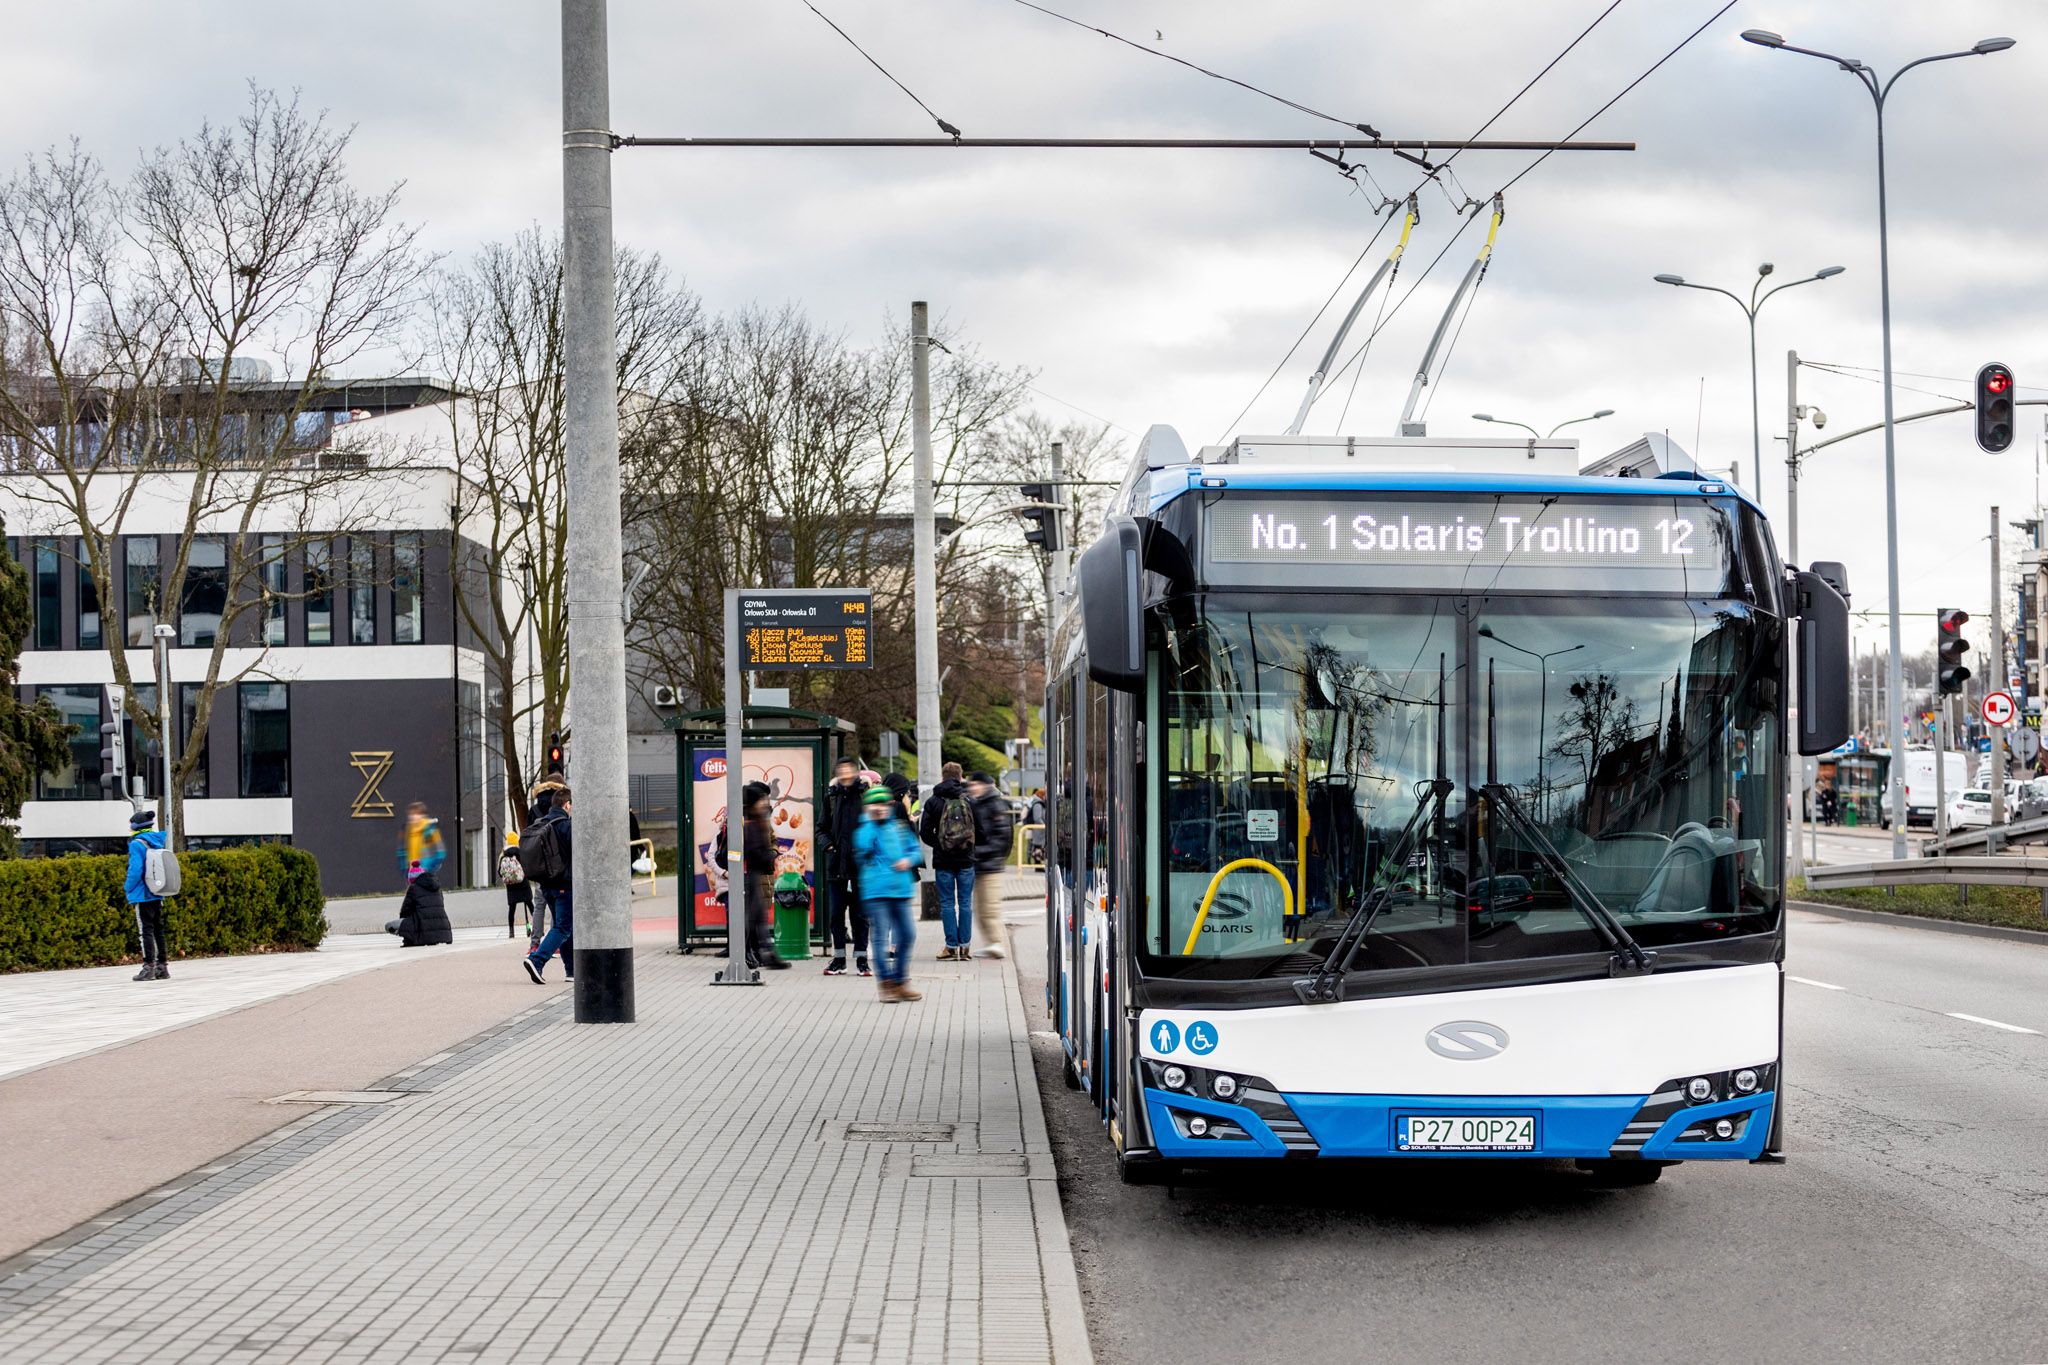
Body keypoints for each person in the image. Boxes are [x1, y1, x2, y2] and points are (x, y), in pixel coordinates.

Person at [853, 784, 923, 1001]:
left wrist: (908, 860)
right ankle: (886, 984)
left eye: (883, 803)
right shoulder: (865, 829)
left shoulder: (899, 827)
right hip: (876, 891)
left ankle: (901, 980)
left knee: (908, 934)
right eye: (875, 804)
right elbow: (861, 851)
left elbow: (915, 851)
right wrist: (872, 822)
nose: (881, 808)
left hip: (900, 890)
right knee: (881, 938)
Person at [920, 762, 983, 960]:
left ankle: (951, 947)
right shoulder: (970, 799)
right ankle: (965, 948)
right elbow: (979, 830)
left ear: (943, 778)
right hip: (966, 860)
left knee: (947, 903)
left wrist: (940, 844)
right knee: (965, 902)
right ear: (960, 778)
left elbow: (924, 832)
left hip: (943, 860)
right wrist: (969, 846)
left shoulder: (933, 801)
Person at [819, 756, 871, 977]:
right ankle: (839, 959)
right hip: (836, 867)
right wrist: (829, 846)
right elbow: (820, 828)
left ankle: (862, 960)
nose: (845, 772)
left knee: (860, 916)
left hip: (861, 867)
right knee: (836, 915)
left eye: (849, 768)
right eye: (841, 769)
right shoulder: (831, 797)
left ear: (857, 772)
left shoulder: (866, 796)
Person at [523, 787, 575, 984]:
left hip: (546, 885)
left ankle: (571, 971)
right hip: (564, 884)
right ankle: (536, 960)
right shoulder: (566, 826)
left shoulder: (542, 823)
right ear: (567, 804)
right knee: (563, 927)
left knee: (566, 927)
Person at [967, 773, 1013, 960]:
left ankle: (997, 943)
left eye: (976, 784)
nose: (972, 788)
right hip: (980, 864)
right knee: (980, 908)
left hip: (991, 864)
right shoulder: (977, 803)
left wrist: (979, 852)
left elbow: (1002, 836)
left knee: (990, 907)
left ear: (985, 785)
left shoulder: (995, 804)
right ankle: (989, 944)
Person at [743, 785, 788, 969]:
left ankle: (765, 954)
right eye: (761, 799)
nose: (764, 802)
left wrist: (771, 853)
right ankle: (752, 953)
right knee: (753, 918)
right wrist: (769, 855)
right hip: (751, 875)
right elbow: (752, 851)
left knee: (756, 918)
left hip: (759, 874)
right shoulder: (748, 823)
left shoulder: (759, 819)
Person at [125, 808, 169, 982]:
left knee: (146, 930)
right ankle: (162, 967)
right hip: (157, 892)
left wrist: (128, 887)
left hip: (143, 893)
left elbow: (136, 870)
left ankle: (148, 967)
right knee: (158, 929)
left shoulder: (136, 844)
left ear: (136, 826)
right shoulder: (156, 841)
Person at [386, 869, 454, 946]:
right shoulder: (437, 888)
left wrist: (405, 926)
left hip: (423, 930)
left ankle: (414, 938)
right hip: (443, 933)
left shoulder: (414, 888)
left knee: (389, 926)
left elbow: (405, 910)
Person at [399, 801, 446, 884]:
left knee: (425, 894)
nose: (414, 817)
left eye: (417, 814)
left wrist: (431, 867)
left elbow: (440, 851)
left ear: (423, 815)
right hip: (411, 872)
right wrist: (405, 868)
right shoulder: (406, 831)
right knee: (413, 894)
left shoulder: (430, 830)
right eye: (412, 814)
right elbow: (402, 851)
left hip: (425, 871)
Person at [501, 829, 533, 938]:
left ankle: (511, 931)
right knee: (530, 905)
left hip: (511, 886)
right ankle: (537, 928)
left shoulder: (503, 854)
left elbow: (500, 872)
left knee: (512, 909)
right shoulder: (520, 852)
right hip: (523, 883)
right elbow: (527, 866)